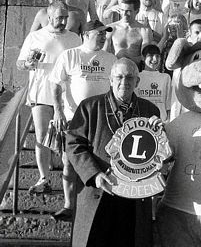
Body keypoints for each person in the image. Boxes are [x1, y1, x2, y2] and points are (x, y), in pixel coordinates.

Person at [66, 58, 160, 247]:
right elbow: (73, 144)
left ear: (137, 82)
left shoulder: (150, 110)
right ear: (110, 79)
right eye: (118, 77)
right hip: (99, 190)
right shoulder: (90, 107)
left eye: (129, 78)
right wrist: (95, 174)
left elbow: (159, 152)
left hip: (134, 197)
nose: (123, 82)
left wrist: (160, 134)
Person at [49, 19, 115, 222]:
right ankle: (69, 205)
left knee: (102, 162)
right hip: (73, 120)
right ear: (86, 35)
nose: (104, 36)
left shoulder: (111, 59)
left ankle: (99, 206)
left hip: (102, 121)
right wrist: (58, 112)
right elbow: (55, 85)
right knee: (69, 163)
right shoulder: (70, 55)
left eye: (105, 33)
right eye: (99, 33)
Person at [16, 1, 81, 194]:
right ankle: (43, 178)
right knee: (42, 136)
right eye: (59, 18)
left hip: (66, 97)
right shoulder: (35, 36)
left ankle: (68, 180)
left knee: (65, 138)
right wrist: (27, 64)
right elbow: (20, 63)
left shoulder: (75, 38)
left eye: (65, 18)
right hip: (41, 93)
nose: (63, 21)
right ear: (49, 17)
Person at [105, 0, 153, 66]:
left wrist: (127, 60)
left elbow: (145, 57)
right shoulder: (111, 28)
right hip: (115, 68)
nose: (124, 14)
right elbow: (104, 52)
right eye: (122, 10)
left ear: (137, 11)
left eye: (128, 11)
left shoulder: (144, 31)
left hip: (135, 68)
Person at [135, 44, 171, 123]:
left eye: (157, 56)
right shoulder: (137, 77)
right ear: (143, 58)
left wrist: (167, 122)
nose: (154, 59)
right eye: (150, 56)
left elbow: (169, 103)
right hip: (140, 122)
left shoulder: (165, 77)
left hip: (160, 122)